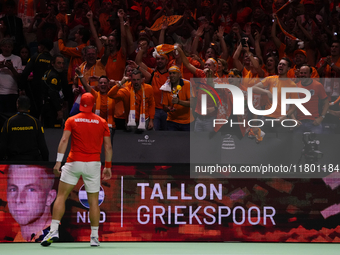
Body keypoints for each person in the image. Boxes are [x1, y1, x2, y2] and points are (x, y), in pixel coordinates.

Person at [41, 93, 112, 247]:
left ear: (81, 104)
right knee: (94, 202)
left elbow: (64, 140)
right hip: (93, 164)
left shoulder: (72, 120)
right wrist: (108, 166)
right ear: (93, 104)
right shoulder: (102, 122)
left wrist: (58, 162)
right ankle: (94, 237)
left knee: (61, 196)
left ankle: (53, 231)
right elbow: (108, 146)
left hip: (74, 163)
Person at [7, 165, 56, 242]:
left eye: (31, 190)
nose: (18, 199)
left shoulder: (61, 240)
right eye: (13, 189)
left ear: (50, 197)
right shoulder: (18, 238)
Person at [252, 57, 299, 133]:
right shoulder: (270, 79)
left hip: (281, 119)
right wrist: (266, 92)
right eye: (280, 64)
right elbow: (253, 88)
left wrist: (285, 116)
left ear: (288, 68)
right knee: (261, 142)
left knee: (282, 144)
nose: (280, 66)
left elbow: (294, 106)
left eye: (283, 65)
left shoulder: (292, 85)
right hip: (267, 117)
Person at [0, 96, 49, 161]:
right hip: (32, 161)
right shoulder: (35, 122)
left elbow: (2, 145)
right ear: (29, 106)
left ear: (17, 105)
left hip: (13, 161)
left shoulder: (9, 122)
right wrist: (46, 162)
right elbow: (42, 145)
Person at [293, 65, 329, 134]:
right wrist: (294, 119)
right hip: (299, 122)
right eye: (301, 73)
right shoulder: (295, 86)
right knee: (296, 144)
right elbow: (291, 104)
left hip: (314, 122)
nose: (303, 75)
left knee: (316, 143)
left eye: (305, 73)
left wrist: (321, 118)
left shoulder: (318, 85)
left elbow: (326, 103)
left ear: (310, 74)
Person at [160, 66, 193, 131]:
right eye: (170, 73)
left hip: (187, 121)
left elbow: (192, 103)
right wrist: (168, 108)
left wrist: (179, 102)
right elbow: (164, 107)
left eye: (174, 73)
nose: (171, 75)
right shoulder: (165, 87)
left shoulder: (187, 84)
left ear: (179, 74)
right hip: (172, 121)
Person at [41, 54, 69, 128]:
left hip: (47, 105)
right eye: (59, 63)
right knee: (54, 130)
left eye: (63, 63)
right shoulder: (54, 76)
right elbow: (52, 93)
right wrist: (58, 110)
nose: (61, 65)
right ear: (53, 63)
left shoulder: (48, 72)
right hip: (51, 108)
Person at [0, 38, 23, 115]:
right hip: (0, 92)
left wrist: (11, 68)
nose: (7, 49)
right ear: (1, 47)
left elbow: (19, 77)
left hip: (12, 92)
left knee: (11, 115)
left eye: (9, 47)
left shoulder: (17, 58)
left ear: (12, 48)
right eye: (5, 46)